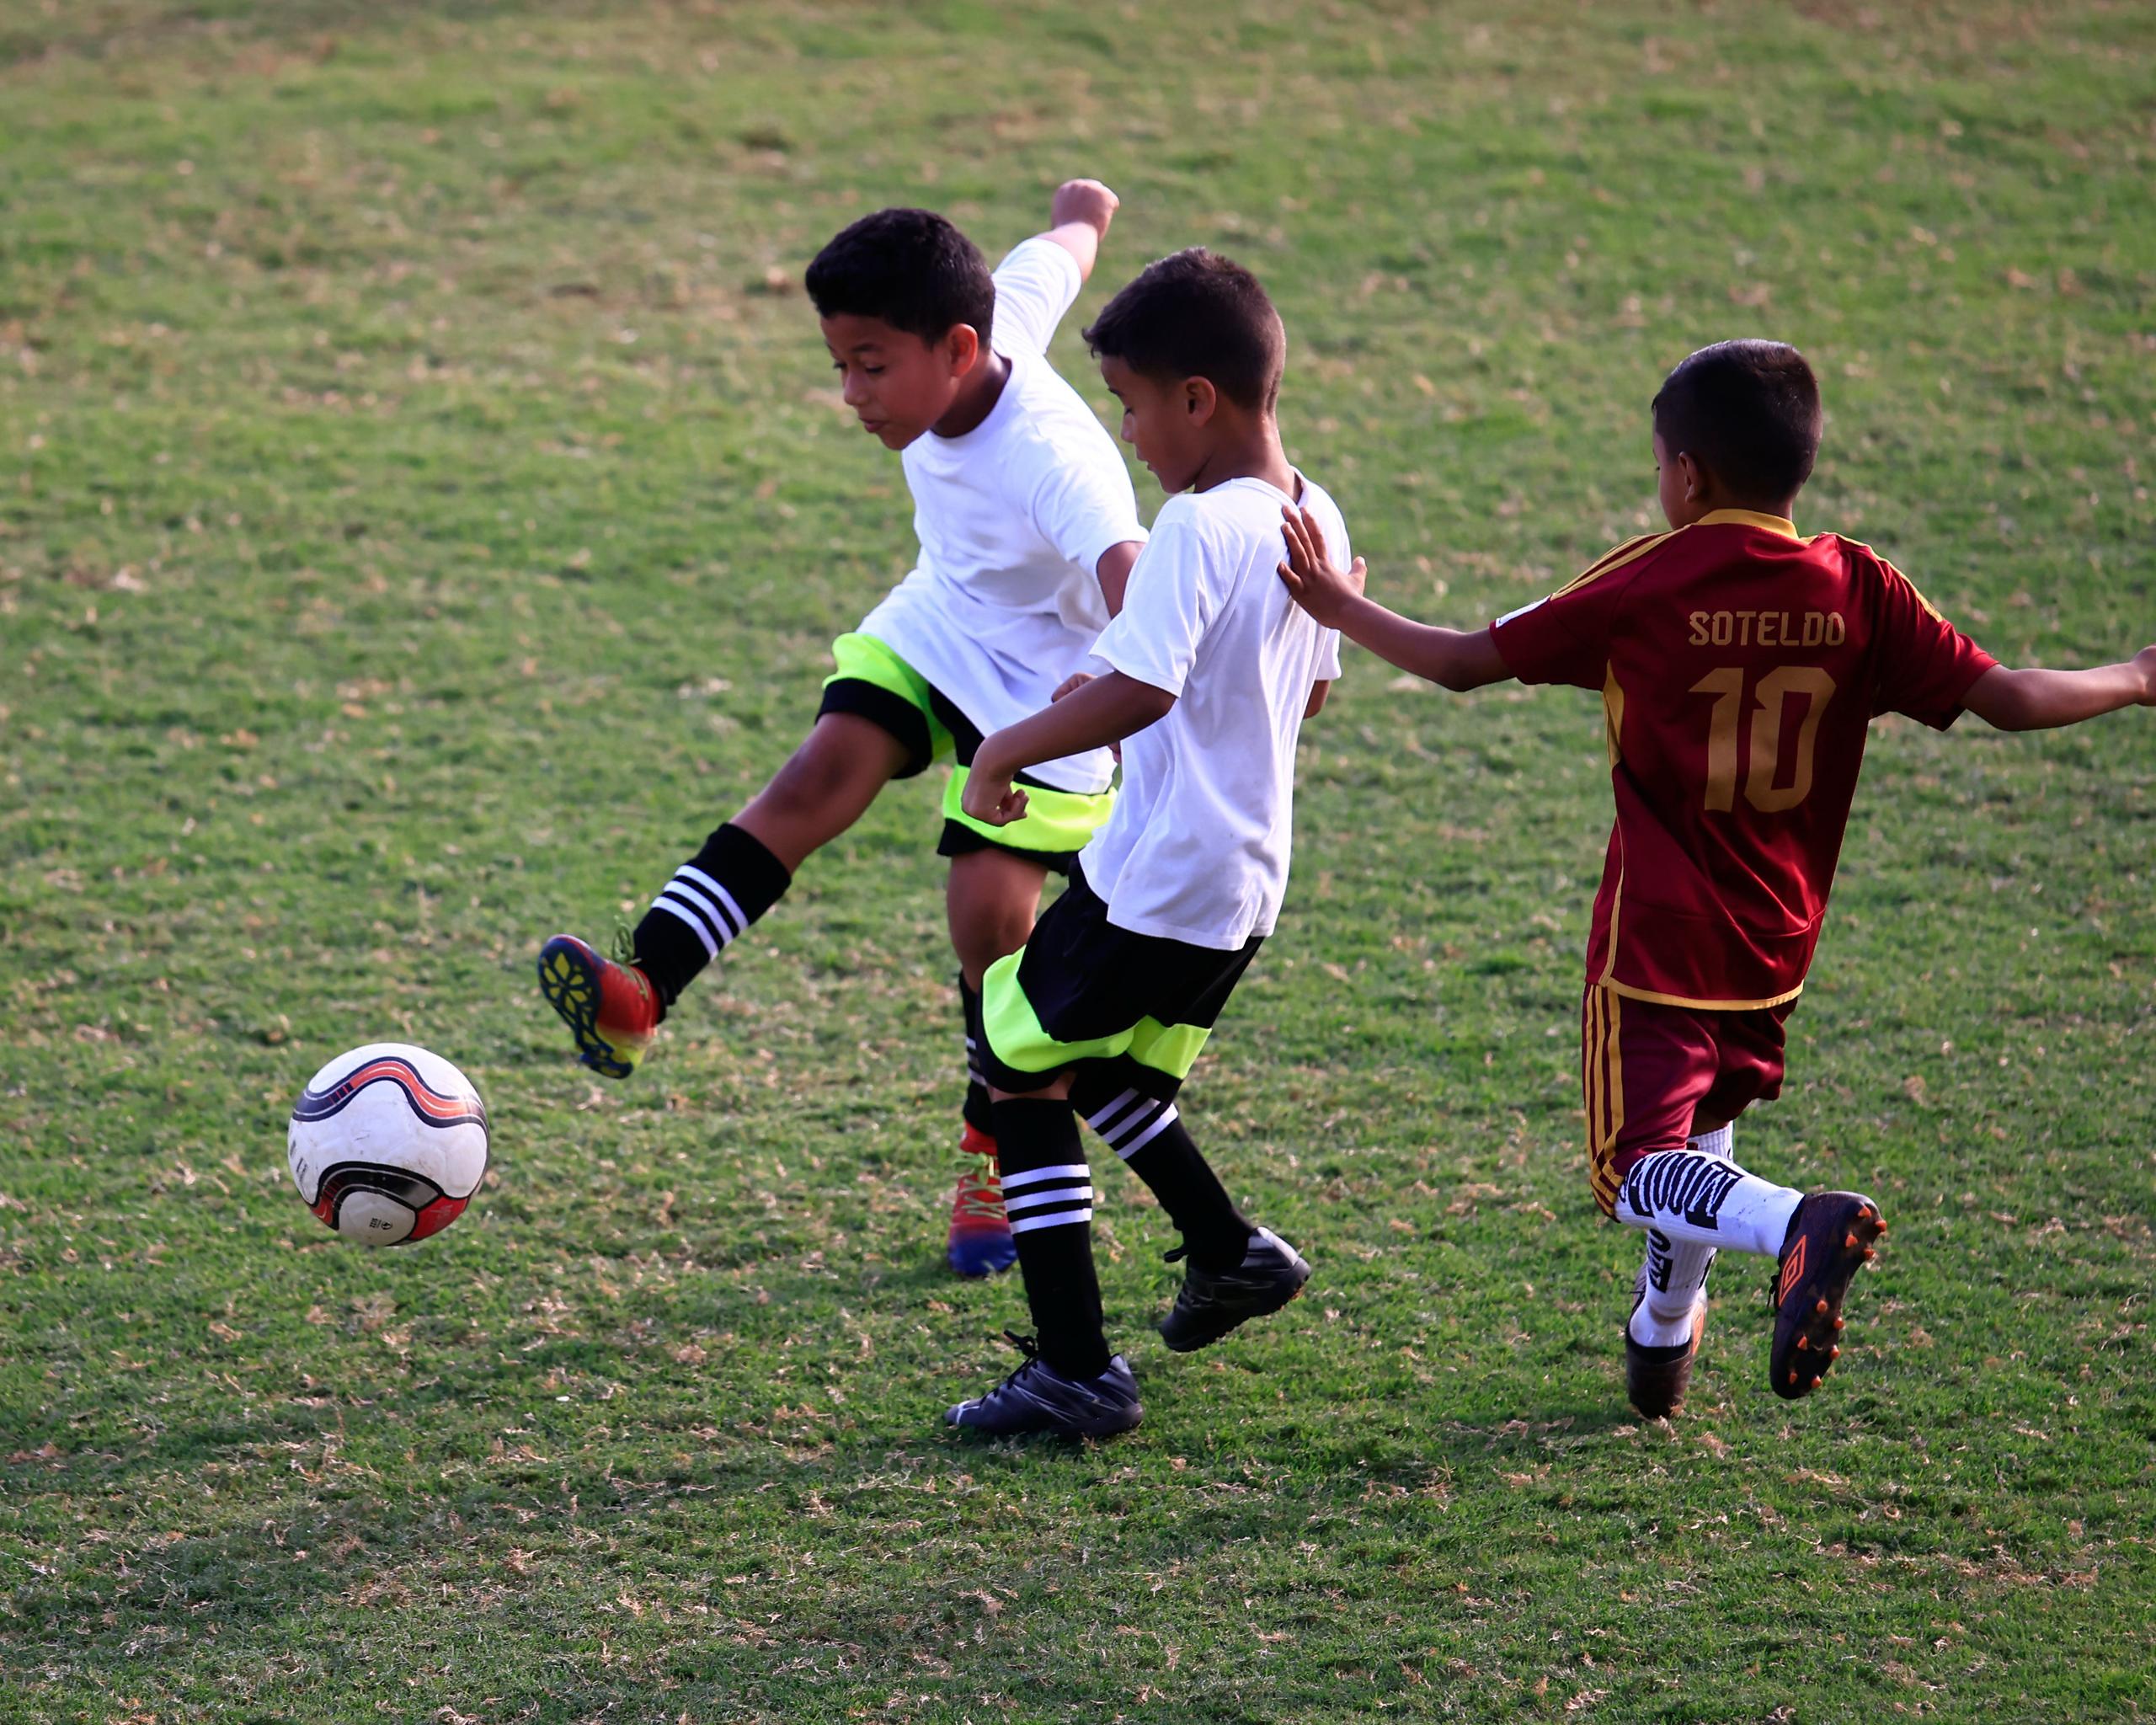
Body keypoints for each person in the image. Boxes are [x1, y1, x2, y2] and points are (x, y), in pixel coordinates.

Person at [1277, 339, 2156, 1418]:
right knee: (1701, 1134)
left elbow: (1463, 662)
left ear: (1685, 473)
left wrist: (1334, 604)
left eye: (1658, 465)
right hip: (1775, 943)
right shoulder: (1859, 586)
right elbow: (2012, 697)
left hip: (1654, 943)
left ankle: (1794, 1222)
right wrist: (2140, 674)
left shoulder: (1650, 576)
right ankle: (1662, 1333)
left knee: (1632, 1166)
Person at [536, 182, 1148, 1279]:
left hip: (1053, 693)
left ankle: (995, 1152)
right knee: (816, 778)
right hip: (943, 623)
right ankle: (641, 992)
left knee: (987, 926)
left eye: (872, 365)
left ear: (960, 350)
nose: (852, 394)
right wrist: (1083, 215)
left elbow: (1140, 594)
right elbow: (1050, 260)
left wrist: (1111, 699)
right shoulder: (986, 316)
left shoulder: (1055, 458)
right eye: (840, 366)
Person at [943, 248, 1345, 1438]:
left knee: (1015, 1069)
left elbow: (1146, 695)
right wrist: (1111, 679)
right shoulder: (1311, 510)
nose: (1123, 429)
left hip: (1156, 880)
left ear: (1197, 399)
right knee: (1103, 1064)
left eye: (1127, 401)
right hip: (1243, 887)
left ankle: (1075, 1370)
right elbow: (1301, 693)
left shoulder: (1195, 524)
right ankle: (1229, 1254)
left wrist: (1006, 747)